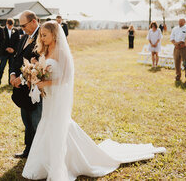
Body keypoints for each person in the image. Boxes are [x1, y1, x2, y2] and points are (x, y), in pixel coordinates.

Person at [22, 21, 166, 180]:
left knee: (60, 125)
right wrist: (34, 76)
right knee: (48, 123)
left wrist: (46, 82)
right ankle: (43, 164)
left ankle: (69, 161)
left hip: (58, 95)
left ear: (54, 35)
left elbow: (67, 78)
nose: (41, 38)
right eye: (40, 35)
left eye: (44, 35)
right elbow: (44, 70)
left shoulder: (61, 51)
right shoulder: (46, 49)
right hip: (48, 97)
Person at [10, 11, 42, 159]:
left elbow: (40, 64)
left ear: (34, 22)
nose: (21, 28)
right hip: (22, 88)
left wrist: (23, 78)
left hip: (36, 87)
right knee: (26, 119)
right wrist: (13, 75)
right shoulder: (23, 37)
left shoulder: (43, 36)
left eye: (24, 25)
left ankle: (37, 151)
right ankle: (28, 148)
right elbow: (16, 58)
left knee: (36, 120)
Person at [0, 18, 19, 86]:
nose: (10, 27)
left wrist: (14, 50)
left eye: (12, 25)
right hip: (4, 52)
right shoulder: (2, 30)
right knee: (1, 68)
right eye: (9, 25)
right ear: (6, 24)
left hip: (12, 53)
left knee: (11, 68)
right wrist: (6, 48)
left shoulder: (16, 30)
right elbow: (1, 41)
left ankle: (10, 82)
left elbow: (17, 42)